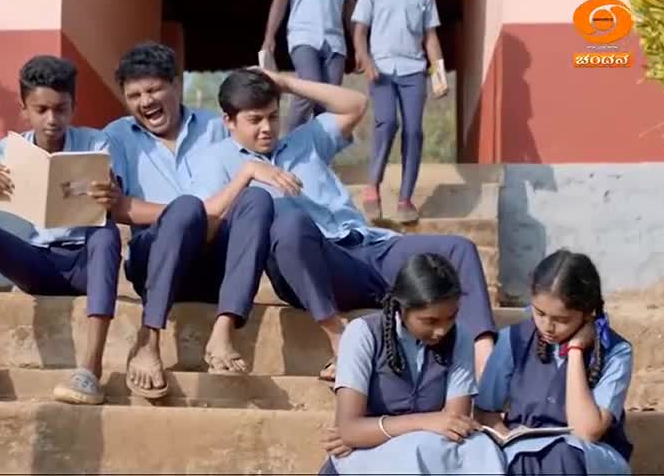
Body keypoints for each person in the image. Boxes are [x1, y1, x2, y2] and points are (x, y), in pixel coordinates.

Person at [188, 68, 496, 383]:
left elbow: (356, 105)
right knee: (290, 221)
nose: (267, 128)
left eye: (273, 117)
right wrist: (246, 174)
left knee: (458, 249)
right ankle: (337, 336)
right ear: (229, 121)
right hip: (311, 265)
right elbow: (205, 217)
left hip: (368, 248)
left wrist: (286, 82)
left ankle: (485, 361)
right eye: (255, 120)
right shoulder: (217, 160)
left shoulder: (305, 140)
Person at [103, 42, 280, 399]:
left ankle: (223, 331)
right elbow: (118, 206)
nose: (145, 101)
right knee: (185, 208)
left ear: (176, 85)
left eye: (154, 90)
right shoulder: (116, 136)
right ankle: (149, 341)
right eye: (134, 95)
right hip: (153, 259)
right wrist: (185, 215)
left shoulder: (217, 127)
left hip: (214, 260)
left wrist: (200, 214)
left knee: (257, 198)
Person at [0, 55, 122, 406]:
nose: (52, 120)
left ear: (74, 107)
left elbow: (113, 206)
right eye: (41, 110)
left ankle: (90, 372)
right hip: (37, 262)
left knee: (106, 233)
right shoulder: (9, 149)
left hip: (85, 263)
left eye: (61, 109)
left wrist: (110, 195)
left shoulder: (96, 144)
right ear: (24, 109)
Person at [318, 253, 505, 474]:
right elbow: (349, 429)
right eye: (430, 321)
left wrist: (371, 431)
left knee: (480, 447)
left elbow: (455, 423)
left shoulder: (459, 337)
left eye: (451, 317)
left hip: (430, 446)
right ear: (403, 308)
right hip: (369, 452)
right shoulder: (362, 333)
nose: (442, 330)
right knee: (413, 452)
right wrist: (426, 421)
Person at [476, 250, 634, 475]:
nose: (547, 327)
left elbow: (587, 431)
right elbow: (484, 412)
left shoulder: (616, 351)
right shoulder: (513, 339)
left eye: (561, 320)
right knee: (518, 458)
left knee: (561, 453)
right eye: (539, 313)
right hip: (524, 454)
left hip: (587, 455)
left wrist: (576, 351)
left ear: (587, 312)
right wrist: (507, 437)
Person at [351, 0, 449, 224]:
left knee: (414, 131)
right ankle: (372, 187)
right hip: (381, 70)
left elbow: (430, 37)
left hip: (414, 70)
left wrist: (439, 76)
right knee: (387, 123)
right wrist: (366, 61)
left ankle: (405, 200)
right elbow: (359, 32)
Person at [261, 0, 359, 133]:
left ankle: (321, 147)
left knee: (329, 101)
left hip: (335, 41)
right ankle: (289, 142)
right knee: (308, 86)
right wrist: (269, 36)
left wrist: (359, 48)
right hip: (303, 35)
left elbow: (350, 7)